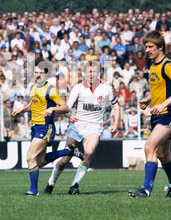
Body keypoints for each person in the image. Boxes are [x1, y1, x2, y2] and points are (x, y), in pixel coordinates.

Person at [44, 61, 120, 195]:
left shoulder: (107, 88)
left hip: (94, 127)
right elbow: (66, 106)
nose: (92, 74)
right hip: (77, 126)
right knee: (64, 160)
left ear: (99, 72)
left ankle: (75, 185)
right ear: (85, 72)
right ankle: (50, 183)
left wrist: (115, 124)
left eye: (94, 71)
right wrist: (69, 115)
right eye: (89, 71)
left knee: (89, 152)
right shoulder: (78, 88)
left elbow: (117, 106)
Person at [129, 30, 171, 198]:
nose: (147, 50)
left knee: (149, 147)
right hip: (158, 115)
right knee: (162, 154)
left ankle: (146, 189)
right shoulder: (153, 65)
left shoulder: (168, 65)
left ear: (161, 47)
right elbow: (162, 88)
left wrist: (163, 103)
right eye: (146, 47)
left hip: (170, 114)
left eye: (150, 47)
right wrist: (149, 99)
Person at [12, 58, 82, 196]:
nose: (37, 75)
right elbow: (33, 104)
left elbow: (65, 107)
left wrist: (53, 110)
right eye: (35, 72)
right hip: (35, 127)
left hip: (45, 127)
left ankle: (33, 191)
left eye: (40, 73)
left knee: (30, 157)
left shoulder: (50, 90)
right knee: (40, 162)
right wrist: (22, 110)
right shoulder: (33, 87)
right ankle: (68, 151)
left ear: (46, 74)